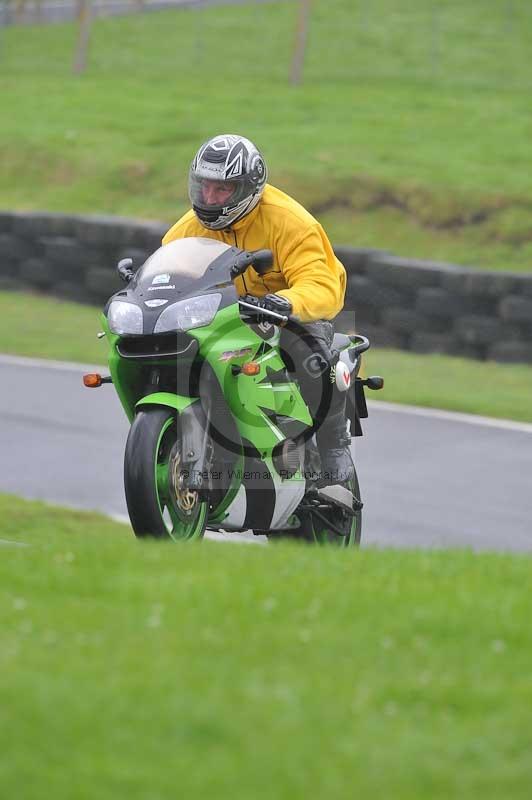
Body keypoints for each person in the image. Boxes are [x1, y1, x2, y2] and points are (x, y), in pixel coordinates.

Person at [162, 133, 353, 486]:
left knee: (310, 351)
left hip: (284, 316)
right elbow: (163, 280)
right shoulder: (185, 231)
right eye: (204, 186)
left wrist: (287, 302)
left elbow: (322, 284)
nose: (209, 198)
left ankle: (333, 448)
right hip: (221, 320)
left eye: (223, 190)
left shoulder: (292, 223)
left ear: (249, 187)